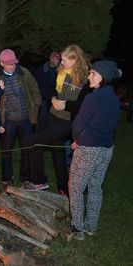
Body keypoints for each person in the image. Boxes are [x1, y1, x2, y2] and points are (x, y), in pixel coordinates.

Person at [24, 44, 91, 194]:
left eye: (66, 60)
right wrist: (54, 98)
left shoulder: (85, 80)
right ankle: (64, 188)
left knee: (32, 141)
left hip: (68, 122)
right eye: (62, 59)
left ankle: (39, 181)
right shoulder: (61, 73)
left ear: (76, 60)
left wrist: (66, 104)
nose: (62, 62)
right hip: (53, 116)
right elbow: (51, 90)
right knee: (58, 152)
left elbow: (83, 105)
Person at [69, 60, 121, 240]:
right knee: (95, 187)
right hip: (106, 149)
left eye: (93, 74)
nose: (89, 77)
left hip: (89, 150)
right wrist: (82, 139)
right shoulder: (115, 99)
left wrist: (78, 139)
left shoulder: (92, 98)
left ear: (103, 77)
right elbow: (106, 125)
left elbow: (78, 126)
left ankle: (77, 228)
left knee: (75, 187)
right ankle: (91, 226)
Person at [0, 49, 41, 185]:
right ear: (1, 63)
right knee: (7, 149)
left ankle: (24, 178)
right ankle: (7, 178)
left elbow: (35, 90)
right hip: (7, 121)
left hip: (25, 119)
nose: (12, 66)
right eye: (8, 64)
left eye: (13, 63)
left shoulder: (24, 74)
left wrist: (35, 106)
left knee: (26, 149)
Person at [34, 52, 60, 131]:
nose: (58, 61)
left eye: (59, 59)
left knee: (53, 118)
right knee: (42, 117)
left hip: (55, 98)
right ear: (51, 59)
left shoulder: (59, 70)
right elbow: (35, 83)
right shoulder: (41, 69)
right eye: (57, 59)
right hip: (43, 97)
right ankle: (39, 134)